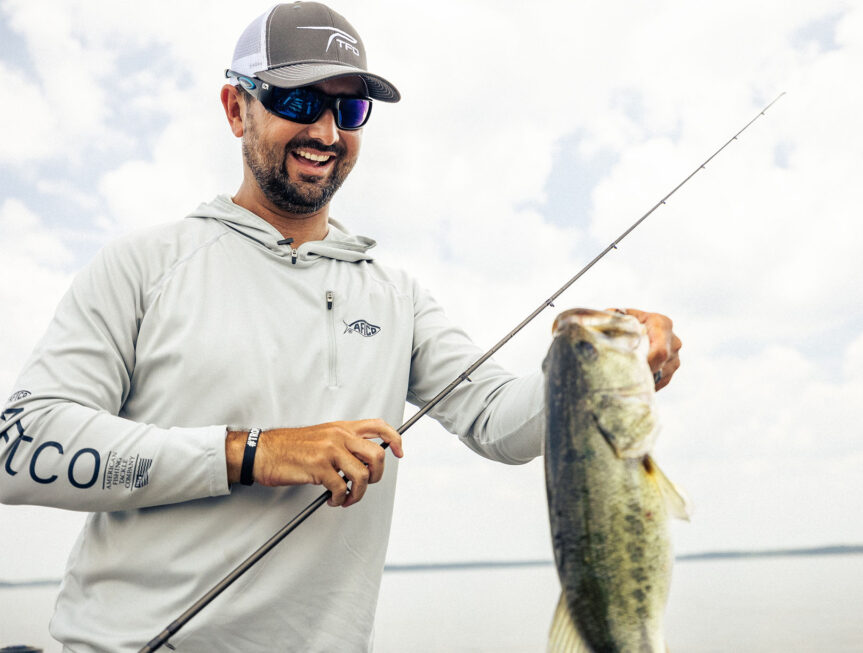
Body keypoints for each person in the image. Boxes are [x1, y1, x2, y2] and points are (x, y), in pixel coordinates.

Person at [0, 2, 683, 651]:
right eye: (298, 102)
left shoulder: (395, 295)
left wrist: (601, 369)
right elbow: (18, 448)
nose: (326, 132)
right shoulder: (143, 265)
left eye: (349, 108)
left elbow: (501, 422)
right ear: (236, 108)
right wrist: (252, 452)